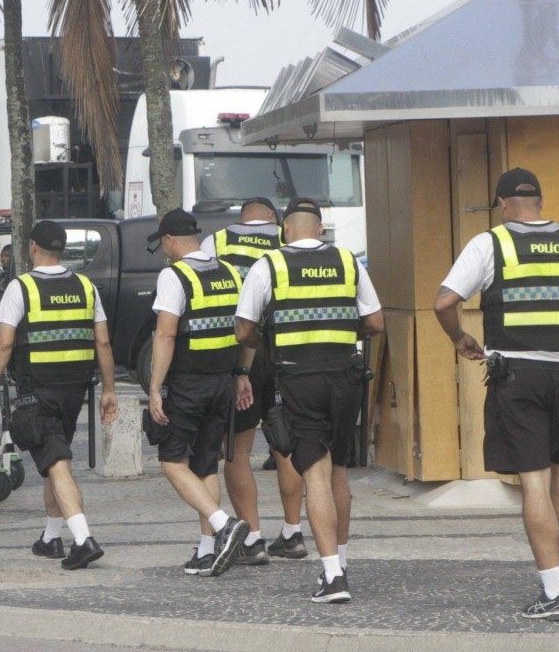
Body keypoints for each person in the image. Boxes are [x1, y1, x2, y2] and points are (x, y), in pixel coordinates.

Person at [434, 168, 559, 621]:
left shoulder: (489, 243)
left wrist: (460, 338)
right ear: (539, 200)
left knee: (534, 479)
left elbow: (443, 301)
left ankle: (553, 593)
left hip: (518, 376)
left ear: (502, 203)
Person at [235, 199, 383, 603]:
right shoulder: (349, 261)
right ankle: (343, 560)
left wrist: (266, 343)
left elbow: (243, 328)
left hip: (298, 377)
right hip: (345, 376)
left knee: (314, 473)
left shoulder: (269, 265)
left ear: (285, 230)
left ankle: (333, 576)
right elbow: (375, 322)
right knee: (338, 472)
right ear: (320, 229)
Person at [0, 221, 118, 569]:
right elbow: (102, 341)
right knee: (56, 462)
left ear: (33, 247)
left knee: (56, 463)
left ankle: (83, 539)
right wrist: (110, 389)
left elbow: (4, 342)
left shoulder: (20, 287)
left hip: (37, 390)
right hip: (75, 389)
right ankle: (51, 537)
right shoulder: (86, 286)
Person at [202, 197, 307, 564]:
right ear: (274, 218)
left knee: (239, 452)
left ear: (241, 218)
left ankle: (254, 539)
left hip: (241, 351)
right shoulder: (290, 237)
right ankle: (293, 533)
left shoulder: (217, 240)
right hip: (283, 354)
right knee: (286, 448)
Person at [147, 209, 250, 578]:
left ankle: (224, 525)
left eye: (163, 244)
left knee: (172, 461)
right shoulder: (229, 273)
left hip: (188, 384)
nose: (163, 250)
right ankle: (208, 550)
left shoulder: (175, 275)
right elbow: (244, 329)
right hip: (222, 381)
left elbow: (166, 334)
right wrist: (241, 372)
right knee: (206, 464)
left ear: (171, 240)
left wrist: (156, 387)